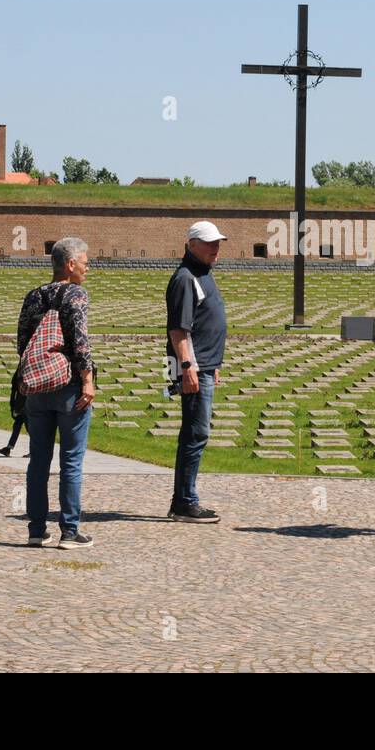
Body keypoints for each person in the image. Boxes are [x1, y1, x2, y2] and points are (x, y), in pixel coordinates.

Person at [18, 236, 96, 549]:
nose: (88, 267)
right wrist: (87, 379)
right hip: (68, 387)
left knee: (38, 460)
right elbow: (80, 340)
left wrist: (36, 376)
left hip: (38, 389)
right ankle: (70, 531)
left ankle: (37, 529)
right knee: (72, 461)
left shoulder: (33, 296)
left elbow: (22, 343)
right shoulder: (76, 293)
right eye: (85, 262)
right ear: (70, 264)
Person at [165, 221, 229, 523]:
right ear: (192, 244)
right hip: (191, 366)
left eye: (218, 242)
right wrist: (188, 367)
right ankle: (185, 502)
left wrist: (212, 365)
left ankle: (183, 499)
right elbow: (179, 330)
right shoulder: (185, 278)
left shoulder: (203, 274)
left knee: (195, 431)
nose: (216, 248)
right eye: (209, 243)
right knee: (196, 432)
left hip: (203, 365)